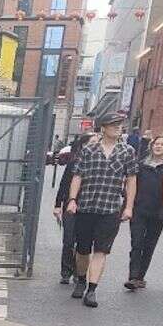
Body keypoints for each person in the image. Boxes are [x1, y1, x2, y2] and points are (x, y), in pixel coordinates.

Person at [66, 111, 138, 309]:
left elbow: (131, 180)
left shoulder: (128, 151)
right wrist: (73, 199)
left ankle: (92, 289)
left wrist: (129, 207)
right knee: (82, 250)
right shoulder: (89, 150)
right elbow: (77, 176)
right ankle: (81, 279)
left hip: (110, 208)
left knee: (101, 250)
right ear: (103, 128)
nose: (118, 127)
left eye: (120, 124)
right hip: (87, 205)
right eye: (113, 124)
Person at [124, 134, 163, 290]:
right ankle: (132, 276)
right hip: (139, 209)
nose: (159, 147)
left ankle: (140, 276)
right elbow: (131, 184)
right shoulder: (141, 164)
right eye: (156, 144)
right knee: (137, 242)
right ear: (151, 146)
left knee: (149, 244)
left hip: (158, 212)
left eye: (162, 144)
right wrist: (128, 206)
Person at [54, 134, 91, 287]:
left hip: (89, 207)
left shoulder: (99, 163)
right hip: (70, 205)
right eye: (91, 143)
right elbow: (64, 184)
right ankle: (66, 272)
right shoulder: (74, 162)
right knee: (68, 240)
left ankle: (78, 272)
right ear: (82, 146)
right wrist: (58, 205)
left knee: (82, 242)